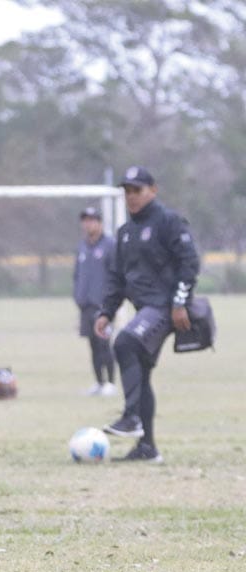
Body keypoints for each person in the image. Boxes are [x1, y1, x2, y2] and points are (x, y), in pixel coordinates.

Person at [94, 166, 200, 463]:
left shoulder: (169, 222)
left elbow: (189, 263)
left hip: (164, 307)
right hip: (145, 309)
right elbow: (117, 278)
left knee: (124, 343)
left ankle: (131, 418)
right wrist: (106, 311)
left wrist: (179, 303)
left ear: (153, 190)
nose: (131, 196)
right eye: (127, 191)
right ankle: (147, 447)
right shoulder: (125, 233)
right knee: (140, 372)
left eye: (137, 190)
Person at [73, 206, 116, 396]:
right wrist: (78, 295)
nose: (88, 224)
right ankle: (99, 382)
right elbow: (77, 275)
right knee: (92, 345)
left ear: (99, 223)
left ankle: (111, 383)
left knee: (104, 343)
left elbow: (115, 275)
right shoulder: (82, 247)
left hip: (103, 306)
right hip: (86, 305)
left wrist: (110, 300)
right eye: (85, 220)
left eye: (92, 220)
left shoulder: (110, 245)